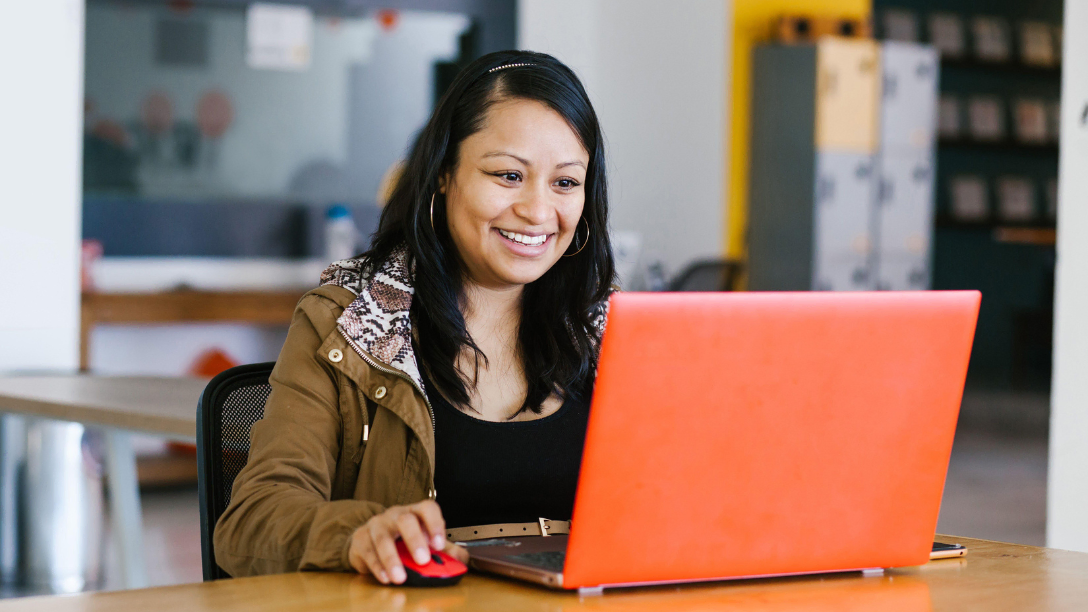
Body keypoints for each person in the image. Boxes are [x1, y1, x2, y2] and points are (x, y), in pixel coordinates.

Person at [213, 50, 616, 583]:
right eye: (508, 175)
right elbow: (251, 522)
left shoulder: (607, 331)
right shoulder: (349, 319)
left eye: (565, 183)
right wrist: (359, 534)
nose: (540, 212)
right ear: (444, 174)